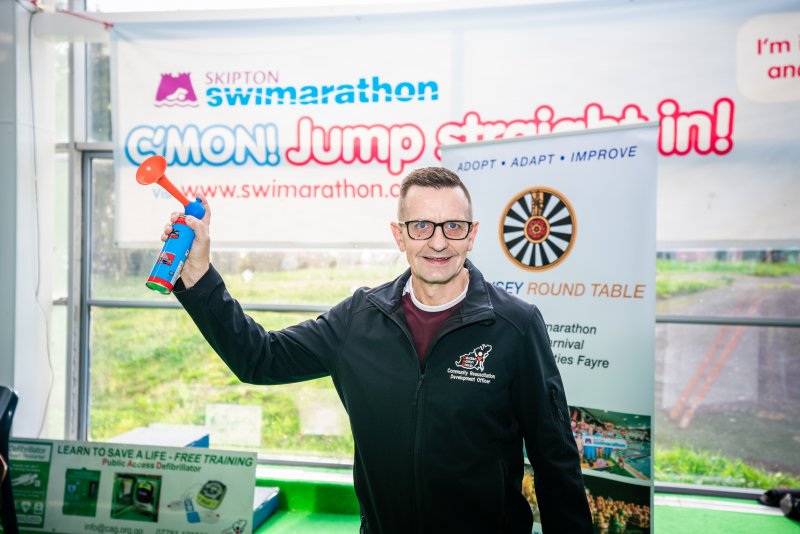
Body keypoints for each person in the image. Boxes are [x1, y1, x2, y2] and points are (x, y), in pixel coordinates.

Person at [166, 167, 592, 533]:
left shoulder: (515, 326)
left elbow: (554, 457)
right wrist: (200, 276)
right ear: (399, 235)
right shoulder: (357, 320)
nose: (438, 242)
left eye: (453, 227)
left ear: (472, 234)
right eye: (421, 226)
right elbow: (259, 358)